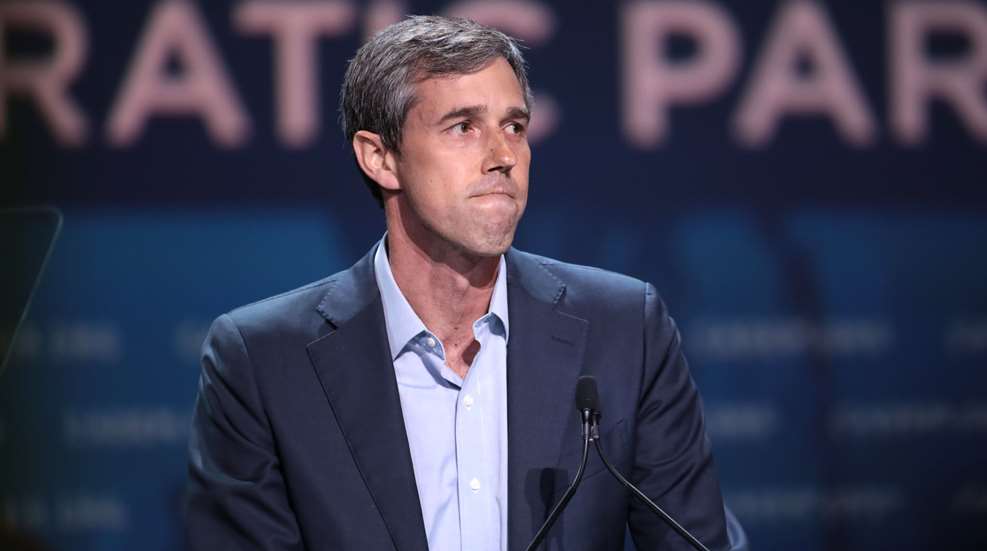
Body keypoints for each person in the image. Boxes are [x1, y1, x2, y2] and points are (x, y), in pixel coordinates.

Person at [186, 15, 747, 551]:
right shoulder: (264, 362)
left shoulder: (624, 330)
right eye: (463, 127)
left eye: (514, 127)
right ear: (380, 158)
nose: (503, 157)